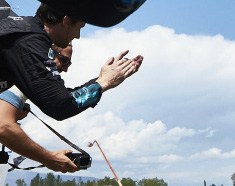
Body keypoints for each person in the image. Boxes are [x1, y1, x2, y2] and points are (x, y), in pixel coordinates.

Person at [0, 2, 143, 122]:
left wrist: (100, 80)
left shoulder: (24, 31)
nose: (78, 36)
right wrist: (104, 83)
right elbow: (60, 106)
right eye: (79, 27)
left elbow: (60, 97)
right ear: (67, 21)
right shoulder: (28, 41)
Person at [0, 43, 79, 173]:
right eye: (64, 61)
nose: (65, 69)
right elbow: (3, 127)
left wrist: (12, 111)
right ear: (48, 54)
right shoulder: (22, 80)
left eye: (69, 64)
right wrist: (48, 158)